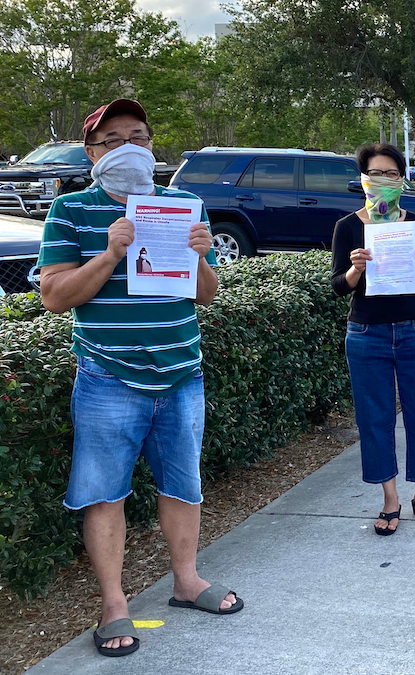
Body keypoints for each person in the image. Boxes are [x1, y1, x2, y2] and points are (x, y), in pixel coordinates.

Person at [37, 99, 238, 658]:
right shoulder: (71, 210)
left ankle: (186, 581)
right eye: (112, 139)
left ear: (153, 146)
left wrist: (201, 257)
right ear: (91, 152)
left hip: (181, 373)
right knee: (104, 494)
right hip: (108, 377)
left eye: (139, 137)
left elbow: (204, 295)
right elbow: (54, 297)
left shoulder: (184, 203)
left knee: (184, 484)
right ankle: (114, 604)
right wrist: (109, 255)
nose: (128, 147)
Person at [331, 143, 415, 534]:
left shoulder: (414, 222)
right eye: (376, 173)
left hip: (414, 329)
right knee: (375, 419)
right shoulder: (348, 227)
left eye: (391, 173)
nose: (383, 180)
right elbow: (338, 285)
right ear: (363, 177)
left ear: (402, 178)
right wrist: (355, 271)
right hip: (367, 333)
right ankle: (389, 498)